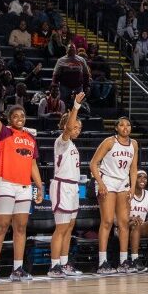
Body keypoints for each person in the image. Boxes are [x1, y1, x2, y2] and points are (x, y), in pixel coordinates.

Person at [0, 104, 44, 282]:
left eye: (23, 115)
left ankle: (18, 269)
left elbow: (33, 165)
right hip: (4, 183)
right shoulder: (5, 133)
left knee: (20, 228)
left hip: (24, 187)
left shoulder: (30, 138)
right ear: (9, 119)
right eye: (16, 116)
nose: (20, 118)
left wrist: (39, 186)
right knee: (1, 227)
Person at [90, 116, 139, 274]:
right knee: (108, 221)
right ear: (116, 128)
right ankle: (102, 262)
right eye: (122, 125)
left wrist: (132, 187)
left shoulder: (134, 144)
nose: (125, 127)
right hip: (108, 181)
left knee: (124, 223)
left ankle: (123, 261)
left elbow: (133, 168)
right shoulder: (109, 142)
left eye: (128, 125)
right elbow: (93, 163)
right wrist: (101, 183)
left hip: (123, 182)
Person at [47, 92, 86, 278]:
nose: (76, 129)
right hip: (62, 186)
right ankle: (54, 266)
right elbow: (69, 128)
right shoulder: (61, 142)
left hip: (73, 187)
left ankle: (63, 264)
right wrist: (76, 106)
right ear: (65, 126)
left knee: (69, 228)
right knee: (61, 228)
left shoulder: (73, 146)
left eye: (79, 128)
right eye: (74, 127)